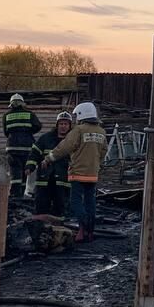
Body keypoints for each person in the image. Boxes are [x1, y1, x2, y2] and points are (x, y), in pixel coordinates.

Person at [44, 102, 107, 243]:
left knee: (76, 202)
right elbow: (103, 152)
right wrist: (96, 164)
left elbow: (64, 147)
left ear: (81, 115)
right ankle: (90, 231)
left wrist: (49, 158)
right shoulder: (101, 132)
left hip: (77, 173)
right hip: (93, 174)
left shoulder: (78, 130)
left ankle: (82, 228)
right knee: (90, 202)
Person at [26, 111, 73, 218]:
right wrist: (30, 166)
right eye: (61, 124)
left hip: (63, 180)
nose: (63, 127)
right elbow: (34, 153)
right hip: (44, 179)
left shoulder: (73, 141)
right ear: (57, 125)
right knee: (41, 205)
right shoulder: (46, 138)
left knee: (60, 207)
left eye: (66, 124)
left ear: (70, 126)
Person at [2, 93, 41, 197]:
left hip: (12, 148)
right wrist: (28, 132)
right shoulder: (30, 114)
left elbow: (6, 132)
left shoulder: (6, 116)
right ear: (22, 103)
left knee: (15, 173)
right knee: (25, 172)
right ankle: (22, 194)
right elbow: (38, 126)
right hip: (27, 148)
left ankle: (15, 195)